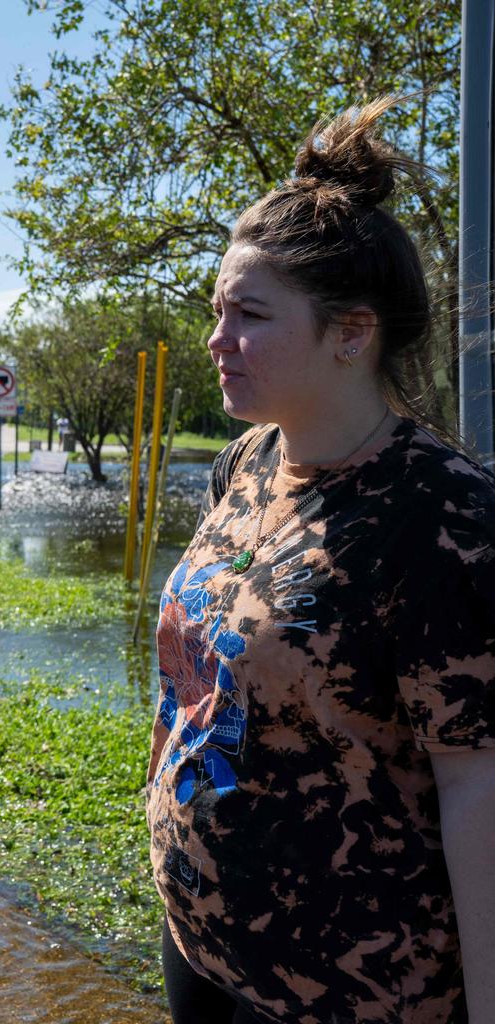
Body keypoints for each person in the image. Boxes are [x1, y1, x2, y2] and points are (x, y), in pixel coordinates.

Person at [147, 98, 495, 1024]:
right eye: (219, 310)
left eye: (249, 316)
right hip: (202, 950)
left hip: (350, 994)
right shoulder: (248, 459)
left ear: (351, 333)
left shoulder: (445, 515)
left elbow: (477, 785)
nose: (217, 340)